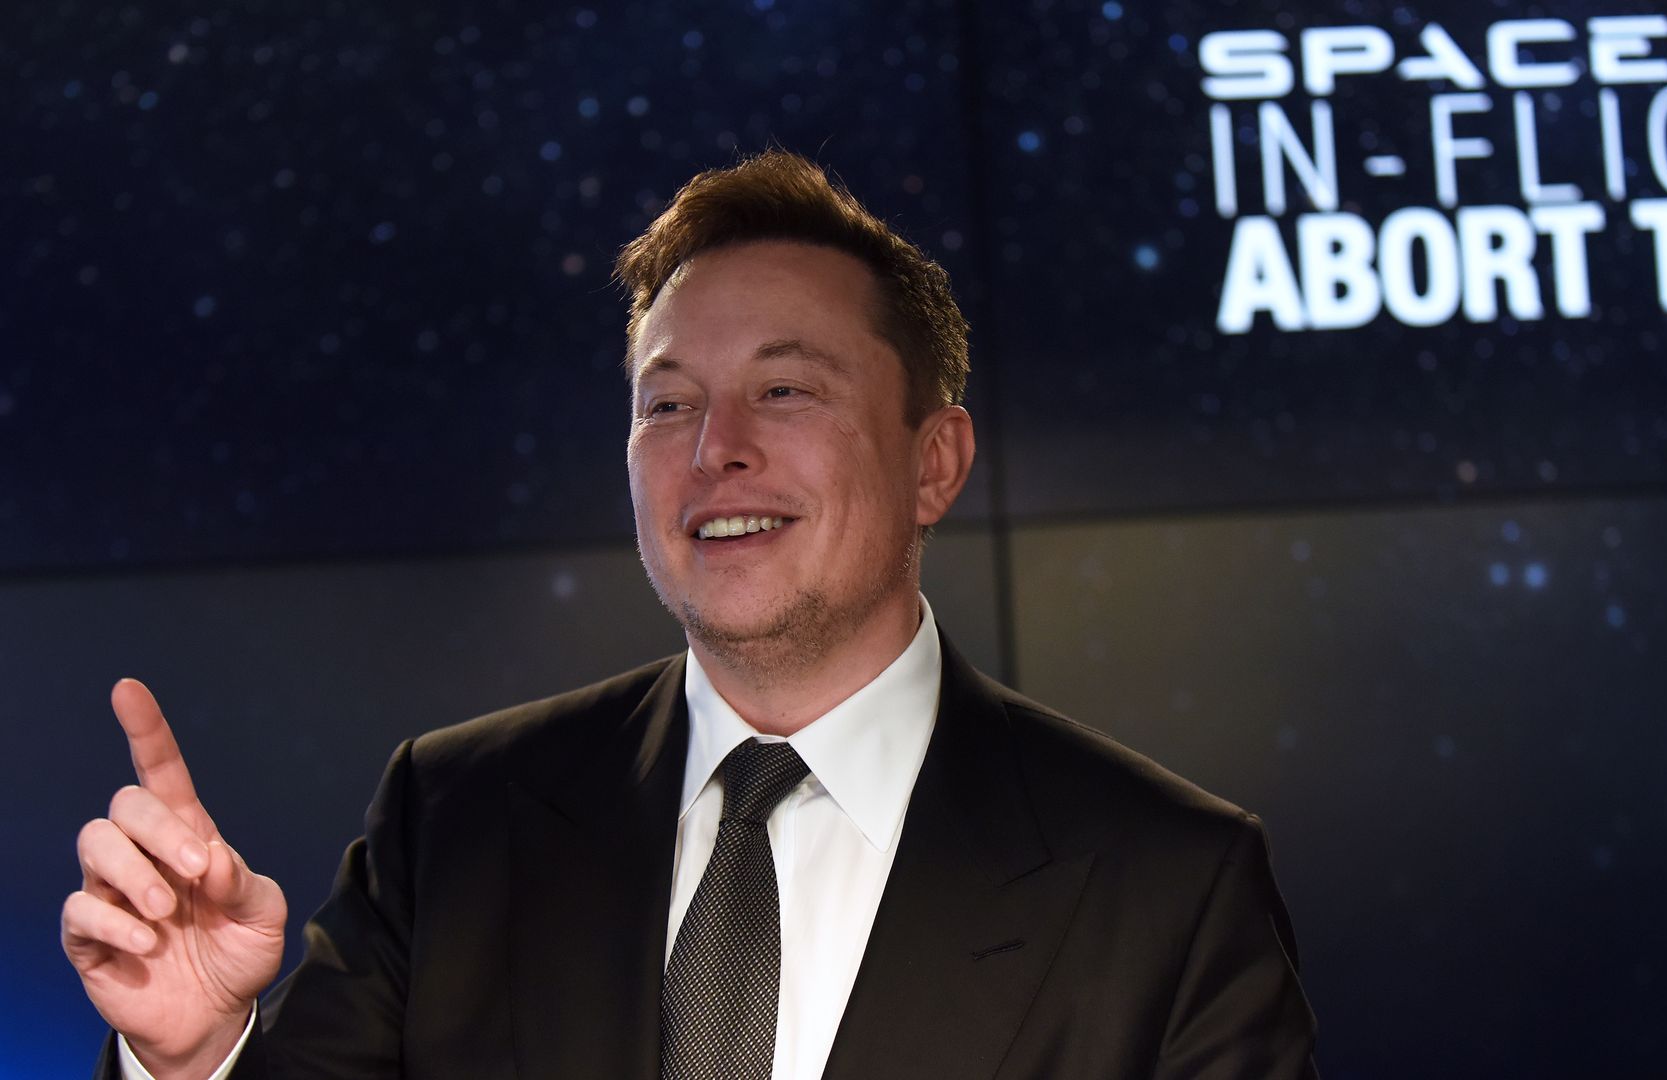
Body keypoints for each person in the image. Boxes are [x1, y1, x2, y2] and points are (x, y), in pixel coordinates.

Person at [63, 150, 1319, 1079]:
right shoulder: (451, 822)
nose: (715, 450)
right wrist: (195, 1057)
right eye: (667, 404)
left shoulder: (1169, 885)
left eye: (785, 388)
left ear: (934, 464)